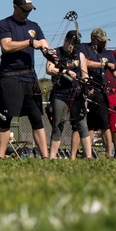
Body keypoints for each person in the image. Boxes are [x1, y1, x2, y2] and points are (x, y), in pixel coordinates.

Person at [0, 0, 51, 158]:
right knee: (6, 119)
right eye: (24, 10)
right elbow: (6, 46)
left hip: (30, 79)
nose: (27, 13)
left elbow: (45, 46)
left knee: (37, 119)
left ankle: (46, 158)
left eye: (29, 10)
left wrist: (52, 54)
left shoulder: (34, 26)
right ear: (15, 7)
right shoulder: (5, 24)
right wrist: (29, 42)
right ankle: (0, 157)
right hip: (10, 78)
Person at [45, 30, 92, 160]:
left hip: (77, 94)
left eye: (76, 44)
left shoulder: (80, 55)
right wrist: (64, 72)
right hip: (60, 94)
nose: (74, 47)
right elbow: (49, 69)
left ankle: (89, 156)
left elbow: (85, 74)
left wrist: (87, 83)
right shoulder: (56, 53)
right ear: (66, 40)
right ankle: (52, 157)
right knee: (58, 125)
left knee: (82, 124)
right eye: (72, 43)